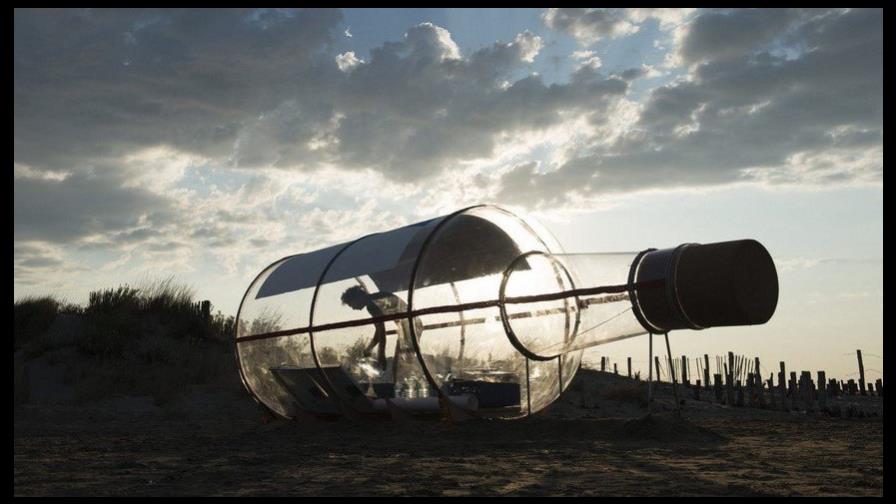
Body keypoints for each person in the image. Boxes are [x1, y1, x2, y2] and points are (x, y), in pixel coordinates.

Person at [340, 285, 424, 386]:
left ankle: (409, 389)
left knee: (401, 365)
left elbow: (382, 332)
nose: (353, 308)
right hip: (411, 324)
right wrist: (369, 348)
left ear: (357, 298)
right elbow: (379, 331)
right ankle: (406, 387)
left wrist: (381, 355)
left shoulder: (372, 305)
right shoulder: (375, 299)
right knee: (401, 364)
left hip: (410, 326)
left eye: (351, 304)